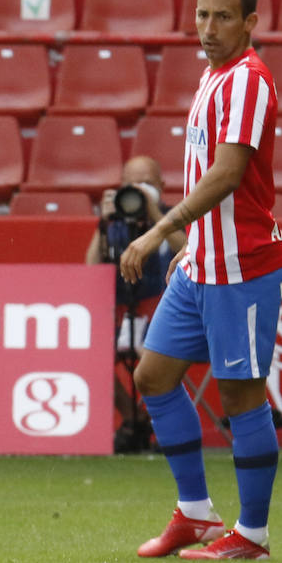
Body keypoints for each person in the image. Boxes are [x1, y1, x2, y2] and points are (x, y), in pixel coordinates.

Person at [122, 0, 282, 561]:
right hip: (204, 263)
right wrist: (193, 243)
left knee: (241, 395)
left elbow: (228, 172)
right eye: (202, 14)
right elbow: (209, 175)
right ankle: (195, 513)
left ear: (250, 21)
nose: (209, 27)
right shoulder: (212, 76)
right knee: (153, 377)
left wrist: (162, 231)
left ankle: (253, 534)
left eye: (223, 16)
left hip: (243, 267)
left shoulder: (248, 80)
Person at [85, 155, 186, 452]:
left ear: (161, 186)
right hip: (120, 316)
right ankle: (134, 420)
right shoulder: (114, 223)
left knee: (163, 366)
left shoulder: (174, 216)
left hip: (164, 315)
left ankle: (150, 423)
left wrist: (158, 217)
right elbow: (90, 269)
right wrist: (103, 223)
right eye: (132, 184)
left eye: (146, 183)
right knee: (91, 355)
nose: (139, 190)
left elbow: (191, 253)